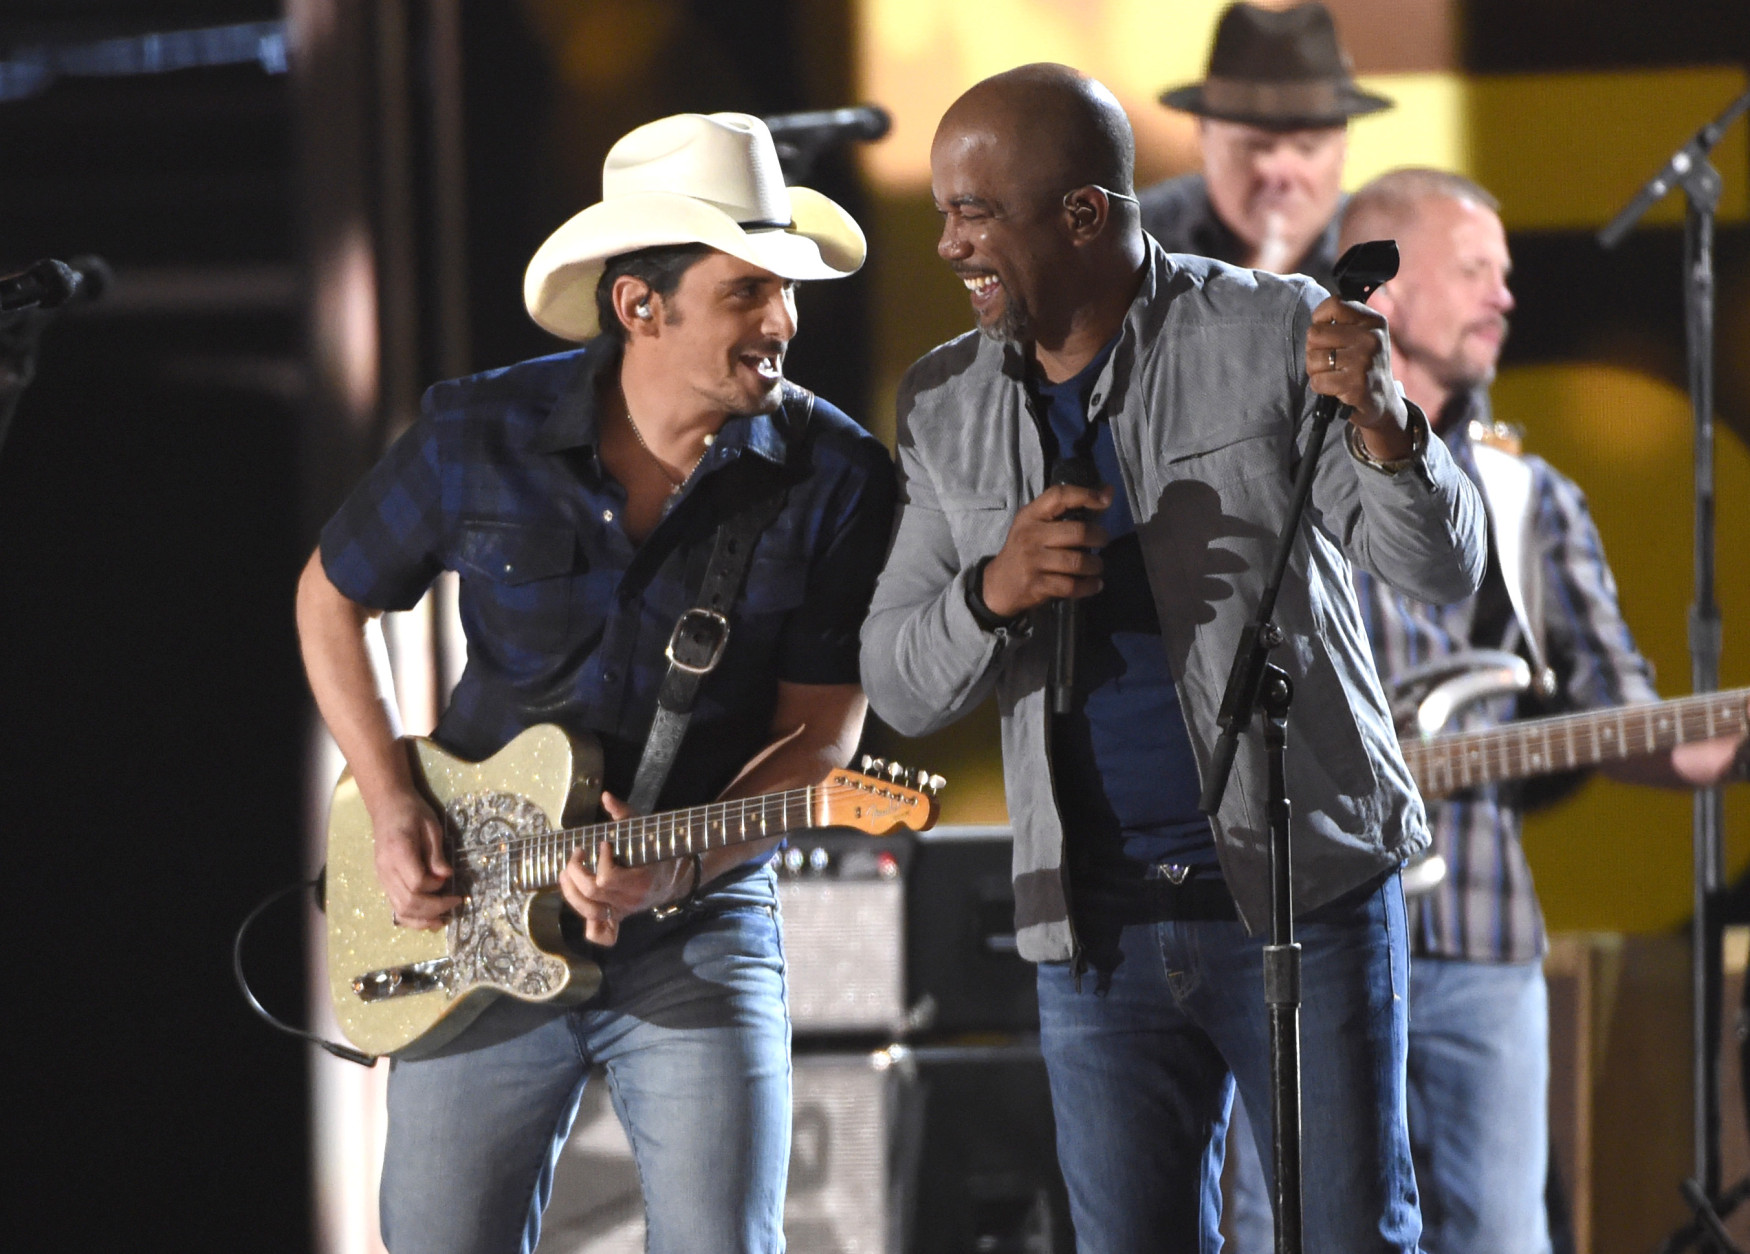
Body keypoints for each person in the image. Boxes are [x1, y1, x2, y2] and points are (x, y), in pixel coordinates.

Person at [860, 64, 1487, 1252]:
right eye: (943, 213)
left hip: (1299, 903)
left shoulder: (1267, 331)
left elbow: (1441, 568)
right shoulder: (944, 402)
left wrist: (1384, 423)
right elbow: (896, 673)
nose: (948, 245)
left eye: (973, 212)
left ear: (1084, 215)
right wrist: (991, 593)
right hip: (1091, 931)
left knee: (1350, 1238)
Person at [296, 111, 895, 1254]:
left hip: (698, 924)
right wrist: (389, 801)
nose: (782, 322)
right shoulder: (482, 431)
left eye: (787, 291)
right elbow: (330, 598)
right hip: (472, 906)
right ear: (640, 306)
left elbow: (820, 740)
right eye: (747, 292)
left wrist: (679, 858)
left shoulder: (837, 477)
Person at [1218, 166, 1744, 1254]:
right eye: (1474, 272)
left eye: (1506, 276)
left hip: (1480, 938)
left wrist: (1724, 751)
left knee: (1501, 1238)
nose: (1505, 297)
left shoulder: (1529, 494)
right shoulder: (1273, 463)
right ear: (1389, 294)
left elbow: (1628, 719)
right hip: (1303, 928)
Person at [1138, 0, 1392, 291]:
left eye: (1307, 147)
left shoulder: (1384, 255)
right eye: (1255, 147)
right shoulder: (1128, 242)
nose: (1280, 172)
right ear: (1203, 136)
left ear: (1344, 145)